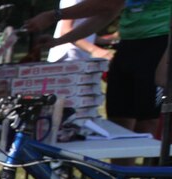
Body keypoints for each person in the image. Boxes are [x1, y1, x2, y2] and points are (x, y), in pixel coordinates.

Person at [27, 0, 168, 140]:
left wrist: (53, 15)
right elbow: (110, 12)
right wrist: (59, 41)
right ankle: (123, 163)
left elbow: (110, 4)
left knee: (148, 120)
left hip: (160, 43)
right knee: (120, 118)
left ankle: (151, 161)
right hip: (128, 44)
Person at [46, 0, 116, 62]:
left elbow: (86, 34)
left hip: (79, 58)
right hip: (68, 57)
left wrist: (111, 40)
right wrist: (95, 50)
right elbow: (65, 31)